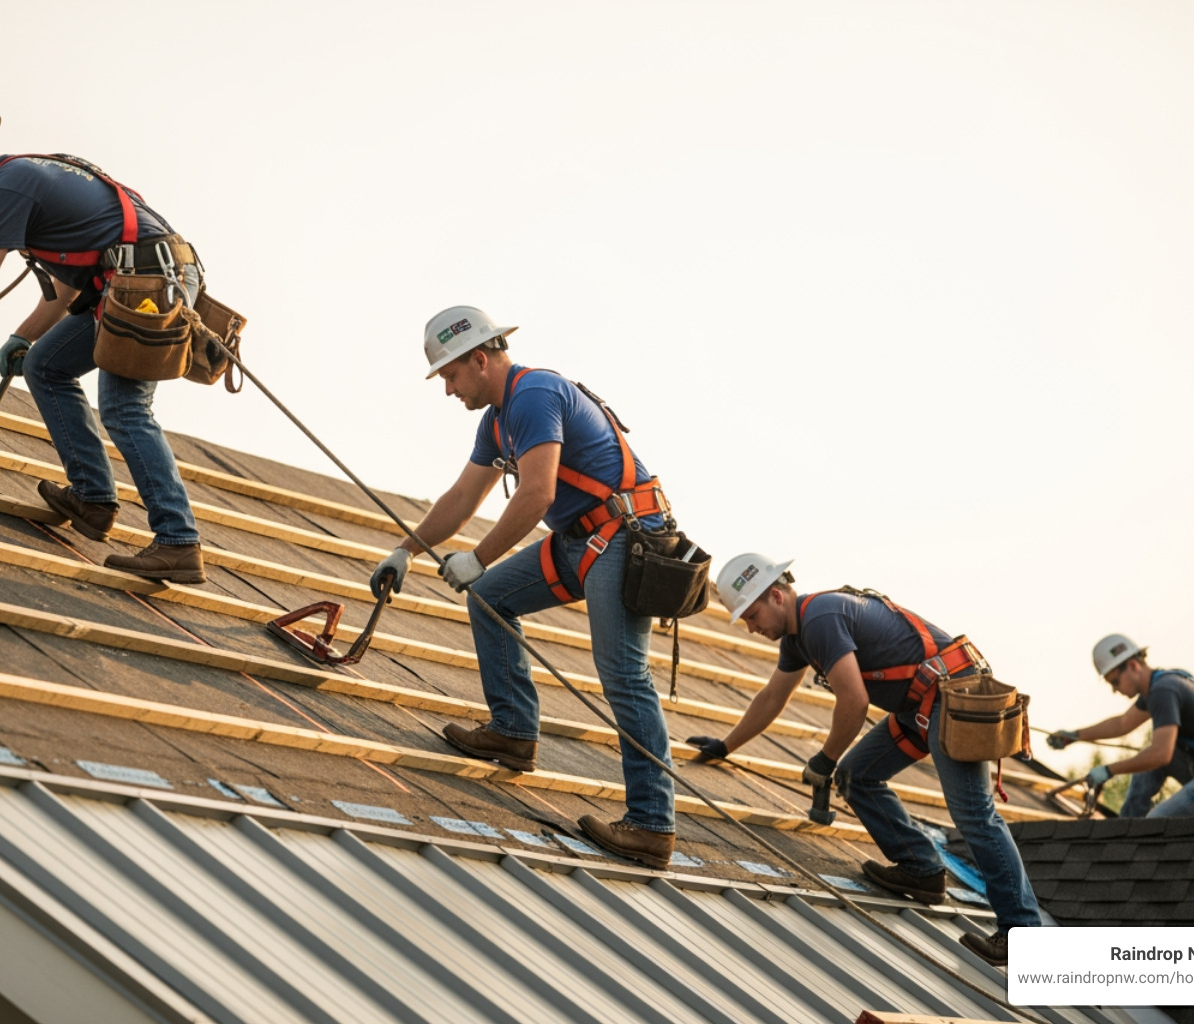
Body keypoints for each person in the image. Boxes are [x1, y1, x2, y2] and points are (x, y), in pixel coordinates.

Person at [369, 306, 677, 868]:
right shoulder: (496, 420)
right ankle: (513, 732)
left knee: (624, 675)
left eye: (450, 376)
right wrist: (406, 550)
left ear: (479, 359)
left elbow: (535, 494)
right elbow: (462, 499)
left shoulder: (535, 395)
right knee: (492, 598)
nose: (448, 390)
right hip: (581, 540)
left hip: (622, 536)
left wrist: (480, 558)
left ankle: (653, 824)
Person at [0, 107, 205, 584]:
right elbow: (69, 287)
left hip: (148, 284)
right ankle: (93, 499)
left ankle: (178, 542)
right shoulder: (30, 176)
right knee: (45, 365)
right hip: (130, 282)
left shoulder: (6, 187)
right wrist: (24, 336)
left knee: (124, 408)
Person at [684, 554, 1039, 966]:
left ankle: (1022, 932)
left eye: (751, 614)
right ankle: (922, 870)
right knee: (858, 776)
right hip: (919, 708)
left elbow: (853, 702)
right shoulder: (798, 638)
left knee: (975, 814)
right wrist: (727, 746)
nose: (751, 627)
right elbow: (772, 697)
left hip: (951, 698)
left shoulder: (819, 618)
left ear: (777, 596)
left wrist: (824, 759)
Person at [1047, 634, 1194, 818]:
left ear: (1133, 666)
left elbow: (1161, 755)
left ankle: (1140, 833)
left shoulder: (1164, 691)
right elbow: (1122, 724)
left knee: (1157, 820)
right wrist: (1074, 736)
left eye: (1115, 682)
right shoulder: (1157, 687)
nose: (1114, 690)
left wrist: (1109, 771)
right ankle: (1129, 825)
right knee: (1146, 765)